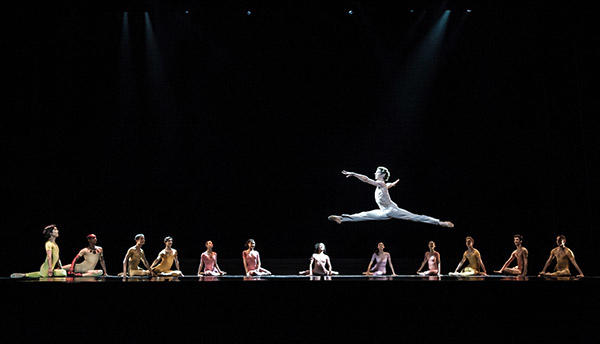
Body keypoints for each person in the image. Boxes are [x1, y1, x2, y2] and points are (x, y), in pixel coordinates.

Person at [327, 167, 454, 228]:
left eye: (377, 171)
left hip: (392, 210)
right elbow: (389, 185)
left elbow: (366, 179)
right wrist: (393, 183)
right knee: (364, 215)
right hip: (383, 211)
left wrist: (353, 173)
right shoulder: (384, 185)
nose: (374, 173)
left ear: (381, 174)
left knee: (415, 217)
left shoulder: (380, 183)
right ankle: (341, 219)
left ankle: (439, 222)